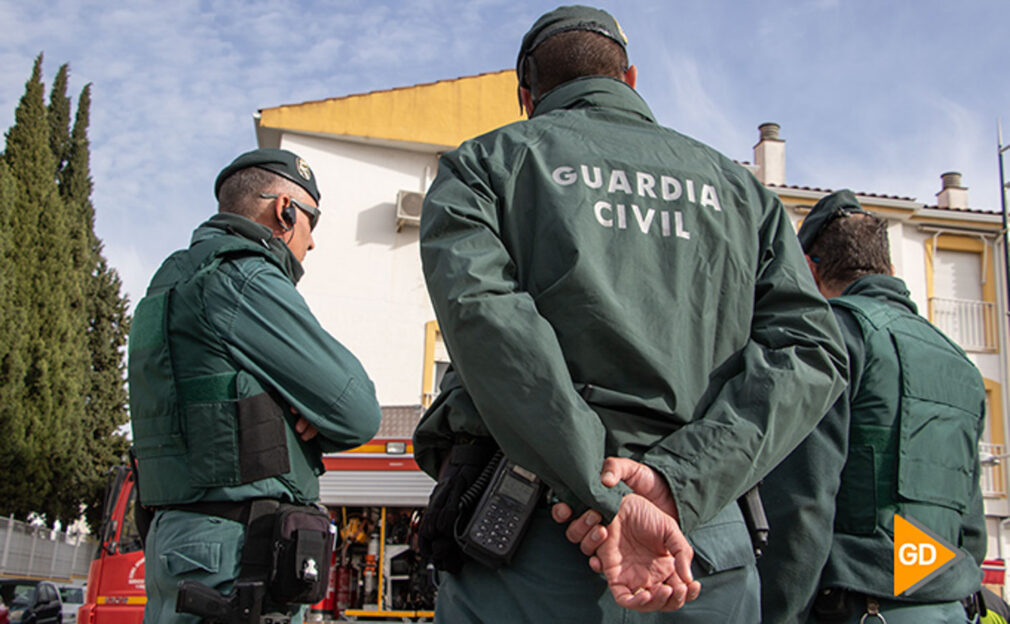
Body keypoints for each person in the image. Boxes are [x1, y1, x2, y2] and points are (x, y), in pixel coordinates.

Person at [412, 5, 848, 621]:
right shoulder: (743, 192)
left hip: (535, 542)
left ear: (525, 95)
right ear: (632, 79)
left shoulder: (485, 165)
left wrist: (603, 491)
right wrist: (676, 483)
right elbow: (811, 351)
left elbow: (491, 329)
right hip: (700, 546)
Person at [128, 148, 382, 623]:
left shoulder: (168, 284)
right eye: (312, 223)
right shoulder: (243, 276)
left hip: (177, 541)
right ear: (285, 210)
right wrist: (307, 410)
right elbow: (358, 410)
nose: (311, 244)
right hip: (236, 553)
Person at [758, 189, 987, 623]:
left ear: (809, 269)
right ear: (890, 268)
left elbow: (803, 503)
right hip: (950, 609)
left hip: (861, 608)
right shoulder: (961, 363)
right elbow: (971, 528)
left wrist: (779, 613)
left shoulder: (835, 339)